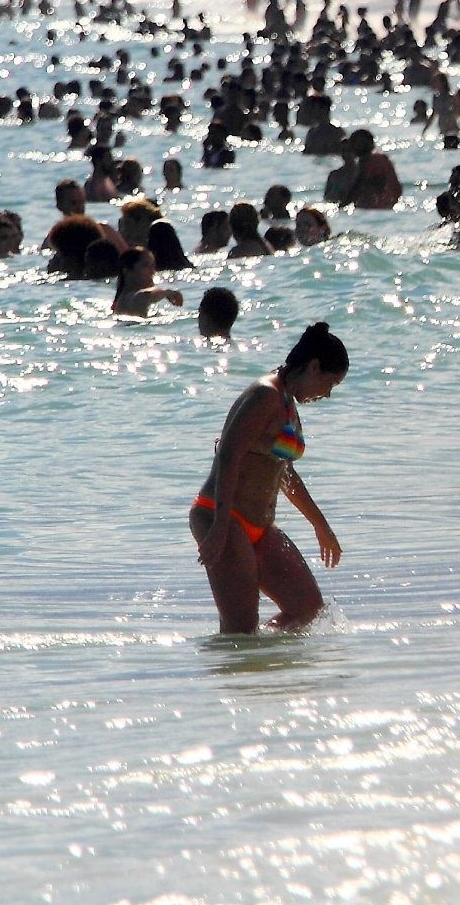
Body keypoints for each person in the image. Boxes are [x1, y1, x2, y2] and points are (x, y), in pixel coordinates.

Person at [189, 323, 349, 633]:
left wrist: (321, 525)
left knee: (308, 610)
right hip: (222, 516)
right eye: (329, 384)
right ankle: (233, 674)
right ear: (314, 366)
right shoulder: (266, 394)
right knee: (240, 628)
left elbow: (284, 472)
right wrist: (221, 526)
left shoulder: (288, 403)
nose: (327, 394)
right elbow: (228, 454)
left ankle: (265, 673)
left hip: (258, 527)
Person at [113, 248, 183, 317]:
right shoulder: (131, 298)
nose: (152, 271)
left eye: (152, 266)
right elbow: (146, 295)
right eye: (145, 266)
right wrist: (169, 291)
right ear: (127, 271)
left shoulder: (123, 298)